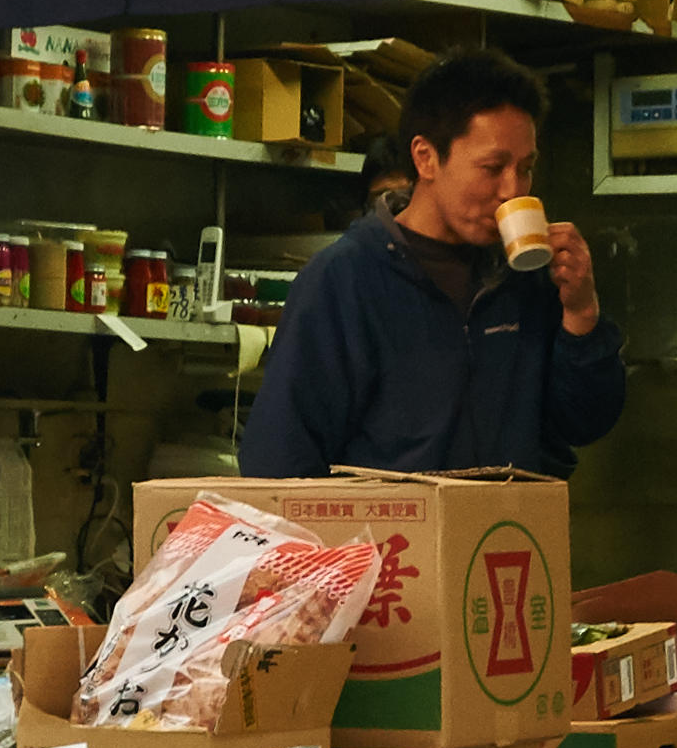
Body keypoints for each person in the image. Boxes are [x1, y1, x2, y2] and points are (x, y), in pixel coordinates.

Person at [241, 46, 627, 480]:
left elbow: (584, 423)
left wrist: (581, 314)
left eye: (525, 168)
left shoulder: (527, 276)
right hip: (389, 542)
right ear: (426, 158)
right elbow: (278, 457)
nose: (512, 190)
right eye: (493, 167)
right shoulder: (345, 279)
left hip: (506, 538)